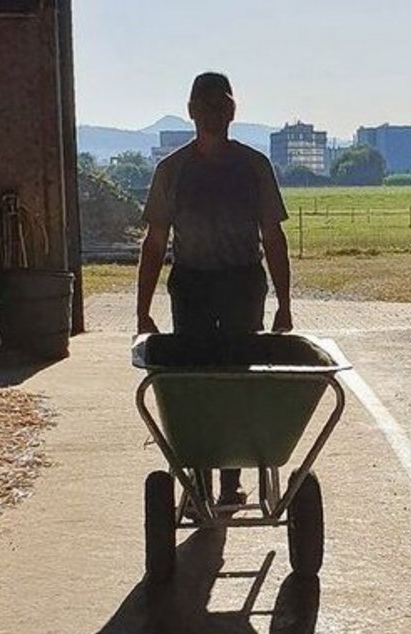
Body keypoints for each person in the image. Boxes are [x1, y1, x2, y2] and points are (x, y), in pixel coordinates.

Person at [135, 71, 293, 508]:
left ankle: (230, 481)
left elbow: (273, 238)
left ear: (232, 110)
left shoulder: (253, 167)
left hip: (242, 283)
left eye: (220, 103)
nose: (212, 111)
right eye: (204, 104)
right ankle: (198, 482)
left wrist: (284, 303)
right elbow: (154, 242)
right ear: (190, 111)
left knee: (237, 376)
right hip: (192, 285)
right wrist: (142, 310)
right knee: (194, 381)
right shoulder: (172, 171)